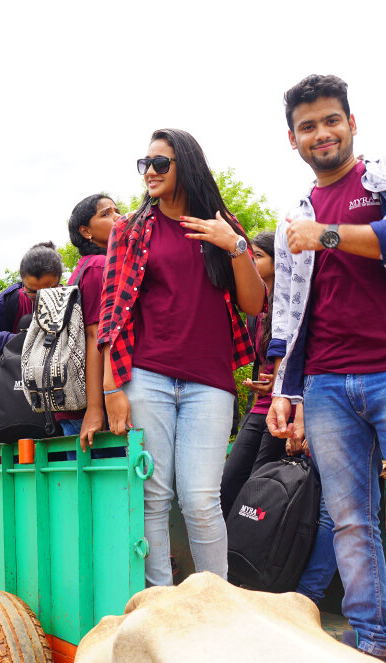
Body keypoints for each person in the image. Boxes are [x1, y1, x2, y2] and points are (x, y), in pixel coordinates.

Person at [267, 75, 386, 663]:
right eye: (308, 126)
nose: (321, 133)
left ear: (352, 124)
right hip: (327, 384)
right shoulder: (294, 215)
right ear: (294, 140)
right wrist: (286, 389)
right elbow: (290, 314)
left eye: (331, 120)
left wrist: (328, 235)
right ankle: (373, 641)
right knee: (350, 523)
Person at [99, 128, 265, 587]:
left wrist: (233, 244)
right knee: (154, 497)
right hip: (147, 376)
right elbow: (112, 312)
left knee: (200, 499)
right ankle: (161, 600)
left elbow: (253, 304)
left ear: (186, 165)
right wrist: (113, 388)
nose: (149, 172)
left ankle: (218, 602)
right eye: (145, 164)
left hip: (210, 382)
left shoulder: (221, 224)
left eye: (161, 164)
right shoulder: (129, 230)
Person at [219, 231, 289, 518]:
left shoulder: (291, 302)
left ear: (278, 260)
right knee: (228, 486)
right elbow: (260, 364)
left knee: (259, 492)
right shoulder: (254, 309)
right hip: (259, 407)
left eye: (258, 255)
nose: (251, 261)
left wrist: (281, 382)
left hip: (285, 410)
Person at [54, 193, 120, 448]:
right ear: (86, 231)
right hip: (93, 406)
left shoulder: (85, 267)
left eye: (117, 210)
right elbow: (95, 338)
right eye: (106, 214)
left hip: (78, 402)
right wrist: (95, 408)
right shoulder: (97, 268)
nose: (118, 217)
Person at [0, 242, 63, 358]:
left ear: (58, 282)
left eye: (47, 291)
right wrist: (19, 341)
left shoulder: (71, 301)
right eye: (32, 292)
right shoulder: (11, 300)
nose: (39, 298)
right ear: (22, 283)